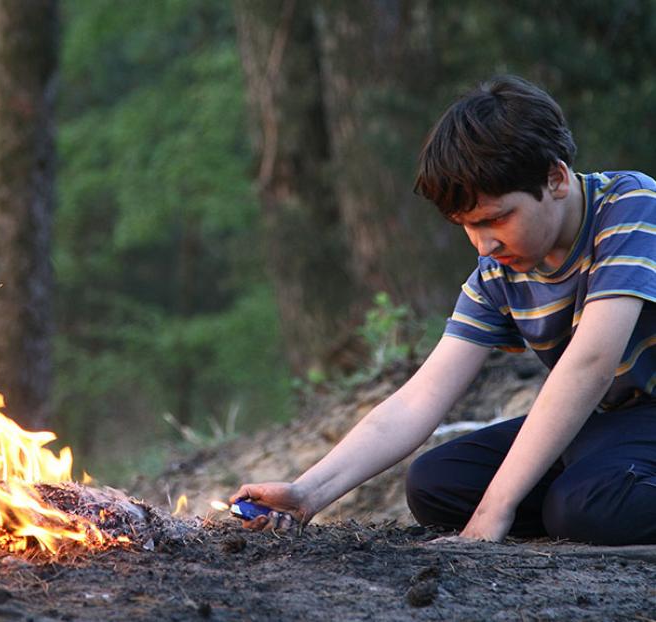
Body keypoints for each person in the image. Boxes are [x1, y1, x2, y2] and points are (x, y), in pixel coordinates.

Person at [232, 75, 656, 545]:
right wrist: (308, 492)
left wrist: (494, 513)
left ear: (555, 178)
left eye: (497, 218)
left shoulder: (630, 206)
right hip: (614, 421)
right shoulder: (498, 272)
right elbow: (420, 398)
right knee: (438, 483)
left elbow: (590, 365)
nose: (484, 243)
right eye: (467, 226)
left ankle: (588, 509)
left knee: (584, 505)